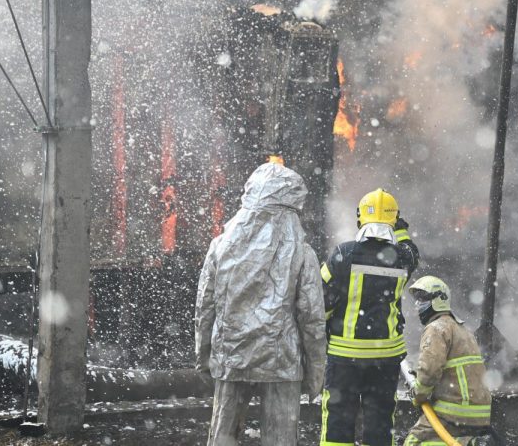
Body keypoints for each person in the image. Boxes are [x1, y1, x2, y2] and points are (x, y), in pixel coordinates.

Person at [195, 162, 326, 446]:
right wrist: (316, 371)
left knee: (223, 436)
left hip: (231, 356)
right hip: (281, 362)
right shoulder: (303, 253)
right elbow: (312, 317)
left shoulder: (220, 245)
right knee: (280, 439)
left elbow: (205, 307)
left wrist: (204, 356)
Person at [320, 188, 420, 446]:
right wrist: (400, 230)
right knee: (379, 426)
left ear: (360, 219)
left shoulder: (342, 254)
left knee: (337, 425)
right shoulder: (401, 259)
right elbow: (412, 251)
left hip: (344, 359)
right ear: (394, 220)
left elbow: (320, 305)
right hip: (384, 359)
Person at [404, 275, 493, 446]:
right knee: (441, 440)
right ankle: (471, 442)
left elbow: (429, 371)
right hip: (478, 413)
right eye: (417, 299)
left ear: (440, 299)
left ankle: (467, 443)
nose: (417, 304)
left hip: (455, 411)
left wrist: (419, 393)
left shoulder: (436, 328)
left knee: (414, 441)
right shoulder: (463, 329)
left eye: (423, 298)